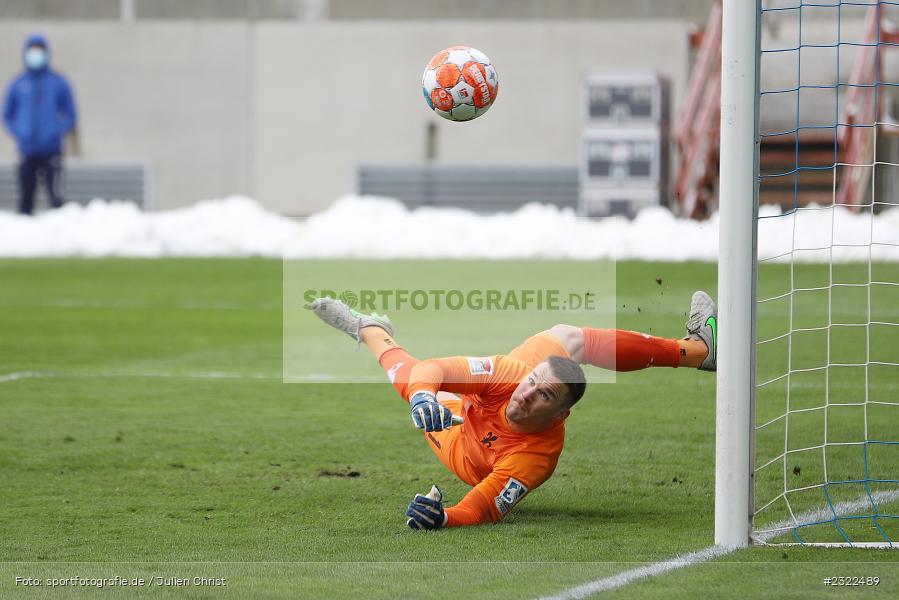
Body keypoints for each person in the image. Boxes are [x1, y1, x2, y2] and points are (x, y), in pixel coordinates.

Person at [311, 291, 717, 529]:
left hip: (466, 448)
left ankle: (368, 328)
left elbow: (484, 505)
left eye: (542, 396)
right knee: (567, 338)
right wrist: (423, 395)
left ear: (559, 416)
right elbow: (433, 370)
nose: (526, 395)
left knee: (408, 381)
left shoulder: (537, 457)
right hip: (483, 397)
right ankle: (698, 350)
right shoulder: (512, 375)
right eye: (532, 384)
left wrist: (445, 518)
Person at [3, 33, 78, 215]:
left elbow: (71, 114)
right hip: (26, 150)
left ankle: (60, 235)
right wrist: (19, 132)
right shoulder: (18, 84)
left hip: (52, 149)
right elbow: (6, 115)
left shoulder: (58, 83)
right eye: (32, 51)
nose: (35, 55)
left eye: (39, 51)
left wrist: (56, 131)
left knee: (56, 197)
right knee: (25, 197)